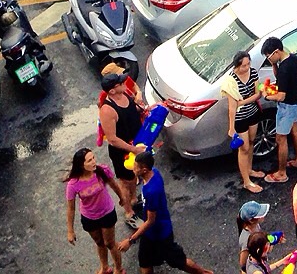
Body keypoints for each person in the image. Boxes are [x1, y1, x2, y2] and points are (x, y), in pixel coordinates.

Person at [116, 151, 213, 274]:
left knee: (178, 261)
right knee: (144, 261)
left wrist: (130, 240)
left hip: (160, 233)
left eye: (135, 167)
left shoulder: (152, 191)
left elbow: (151, 221)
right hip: (150, 234)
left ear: (144, 170)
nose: (133, 169)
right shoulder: (154, 172)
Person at [65, 146, 131, 274]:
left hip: (107, 213)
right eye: (89, 160)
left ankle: (119, 268)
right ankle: (105, 267)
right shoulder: (73, 184)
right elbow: (71, 208)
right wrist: (70, 231)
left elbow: (113, 184)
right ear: (81, 165)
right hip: (89, 217)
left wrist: (121, 198)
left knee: (110, 243)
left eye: (93, 158)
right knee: (100, 243)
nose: (94, 162)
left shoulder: (101, 171)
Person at [98, 71, 146, 223]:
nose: (125, 83)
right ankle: (128, 211)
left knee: (135, 176)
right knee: (126, 181)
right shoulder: (107, 110)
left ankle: (133, 198)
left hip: (136, 144)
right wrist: (133, 149)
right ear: (112, 90)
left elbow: (132, 111)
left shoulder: (124, 95)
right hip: (123, 152)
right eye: (120, 83)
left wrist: (145, 110)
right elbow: (112, 139)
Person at [259, 36, 297, 185]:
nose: (268, 59)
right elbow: (281, 79)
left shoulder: (284, 68)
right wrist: (274, 65)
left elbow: (281, 95)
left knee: (280, 138)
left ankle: (281, 172)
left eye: (269, 56)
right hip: (296, 100)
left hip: (287, 106)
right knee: (295, 129)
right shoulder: (292, 59)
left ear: (276, 51)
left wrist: (266, 95)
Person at [221, 51, 267, 193]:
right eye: (243, 66)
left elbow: (257, 93)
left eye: (248, 64)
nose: (246, 68)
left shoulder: (253, 72)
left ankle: (249, 169)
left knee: (252, 141)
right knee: (244, 148)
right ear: (237, 65)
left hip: (253, 112)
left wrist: (243, 101)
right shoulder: (231, 81)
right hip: (240, 118)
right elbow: (232, 107)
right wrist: (231, 127)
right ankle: (247, 182)